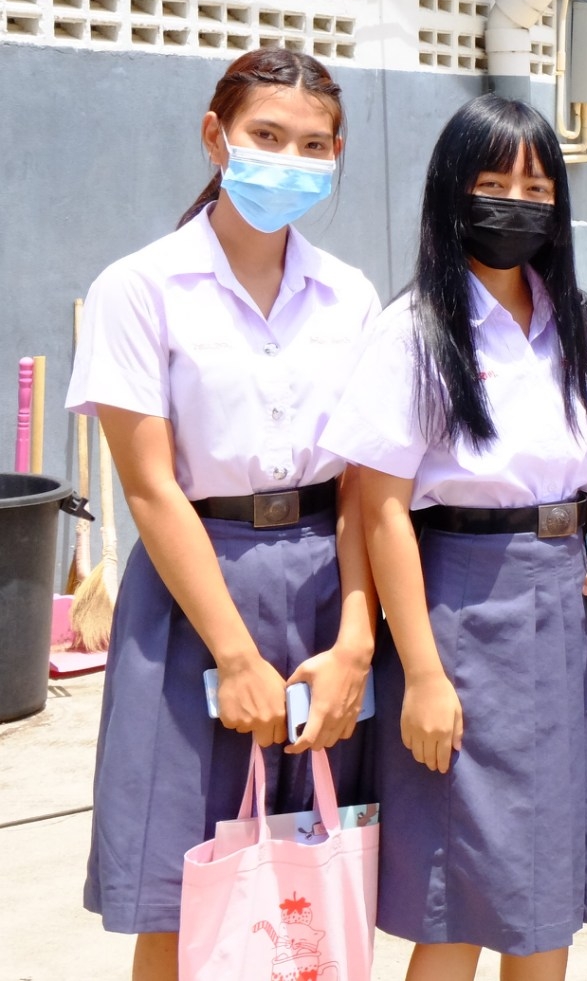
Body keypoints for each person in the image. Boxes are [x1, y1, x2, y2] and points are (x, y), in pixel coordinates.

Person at [66, 49, 379, 981]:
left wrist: (357, 639)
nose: (289, 159)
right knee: (188, 884)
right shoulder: (141, 286)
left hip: (325, 580)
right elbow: (153, 487)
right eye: (266, 137)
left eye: (313, 144)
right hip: (194, 593)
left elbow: (368, 484)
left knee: (313, 875)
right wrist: (236, 655)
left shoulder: (352, 295)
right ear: (217, 136)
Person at [319, 94, 587, 979]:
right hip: (463, 607)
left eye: (535, 185)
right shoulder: (415, 329)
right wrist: (421, 671)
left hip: (564, 626)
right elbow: (378, 507)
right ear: (451, 192)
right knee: (455, 899)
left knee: (546, 900)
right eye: (492, 182)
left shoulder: (566, 314)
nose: (515, 202)